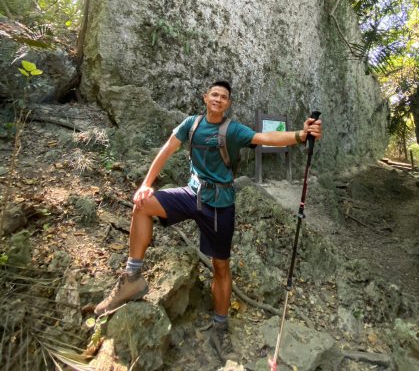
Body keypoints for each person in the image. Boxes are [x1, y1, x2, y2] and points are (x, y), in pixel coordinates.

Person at [95, 80, 322, 362]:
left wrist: (301, 134)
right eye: (214, 94)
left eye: (224, 97)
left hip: (219, 205)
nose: (218, 99)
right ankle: (132, 277)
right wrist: (146, 184)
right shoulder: (191, 124)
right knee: (142, 206)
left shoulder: (233, 130)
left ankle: (220, 325)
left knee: (221, 266)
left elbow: (266, 138)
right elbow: (167, 149)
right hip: (192, 194)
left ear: (228, 104)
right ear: (205, 98)